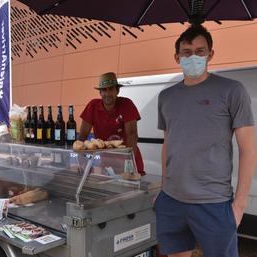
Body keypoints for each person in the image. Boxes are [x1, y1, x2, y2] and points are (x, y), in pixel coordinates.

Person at [155, 25, 256, 257]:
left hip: (214, 203)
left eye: (200, 51)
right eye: (187, 52)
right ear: (177, 56)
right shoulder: (166, 97)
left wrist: (239, 207)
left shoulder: (232, 91)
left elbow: (248, 150)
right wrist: (162, 190)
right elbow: (168, 143)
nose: (193, 57)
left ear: (211, 54)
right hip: (171, 201)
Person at [78, 72, 144, 175]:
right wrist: (83, 163)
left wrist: (129, 166)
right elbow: (82, 136)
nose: (107, 93)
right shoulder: (92, 106)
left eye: (111, 89)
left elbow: (132, 135)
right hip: (107, 165)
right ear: (100, 92)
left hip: (130, 162)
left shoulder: (127, 104)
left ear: (117, 90)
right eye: (104, 90)